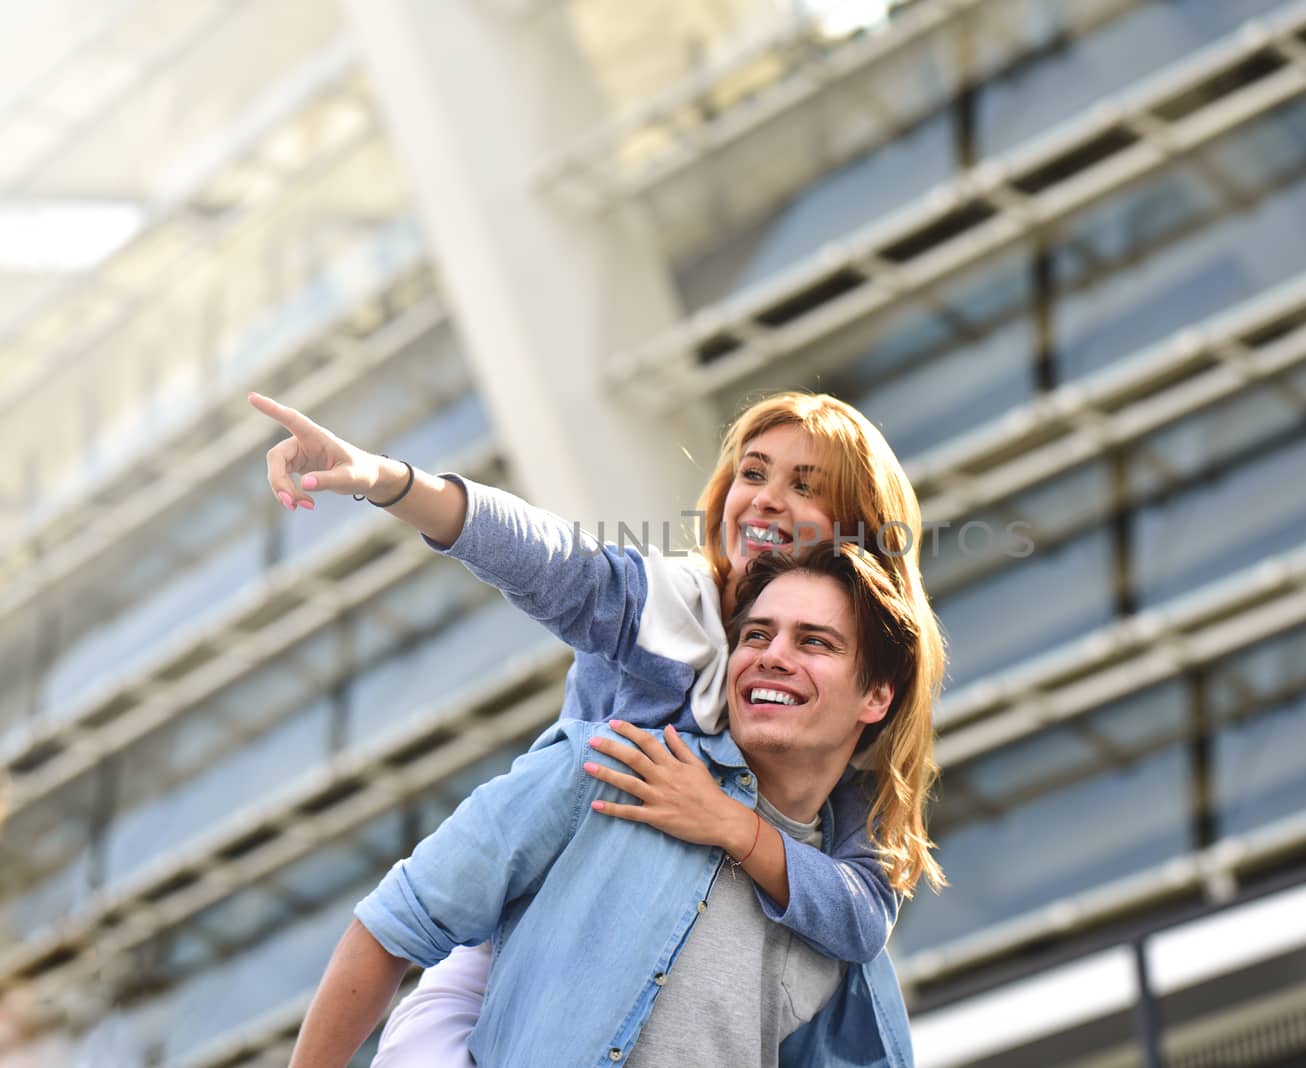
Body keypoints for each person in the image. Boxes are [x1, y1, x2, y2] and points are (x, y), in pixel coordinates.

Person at [248, 390, 946, 1060]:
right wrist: (383, 479)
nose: (765, 496)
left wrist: (731, 826)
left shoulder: (844, 768)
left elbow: (860, 913)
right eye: (752, 473)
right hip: (507, 930)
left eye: (805, 485)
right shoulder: (674, 606)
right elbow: (551, 559)